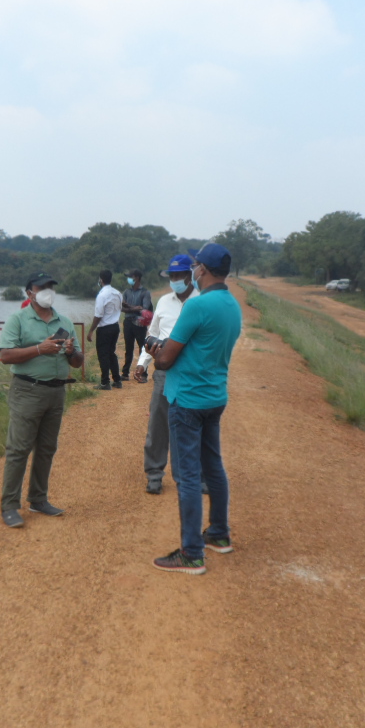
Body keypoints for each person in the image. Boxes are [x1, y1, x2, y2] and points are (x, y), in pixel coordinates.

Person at [146, 243, 242, 575]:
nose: (194, 270)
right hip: (214, 396)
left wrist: (156, 353)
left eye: (197, 264)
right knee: (213, 467)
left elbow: (165, 359)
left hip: (187, 399)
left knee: (187, 476)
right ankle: (219, 533)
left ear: (204, 270)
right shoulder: (232, 305)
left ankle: (191, 552)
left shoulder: (197, 306)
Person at [0, 272, 84, 528]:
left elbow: (78, 362)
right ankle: (9, 506)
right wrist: (39, 349)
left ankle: (38, 498)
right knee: (19, 450)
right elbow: (6, 356)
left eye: (51, 287)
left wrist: (71, 352)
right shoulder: (18, 319)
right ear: (30, 293)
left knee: (47, 448)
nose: (48, 291)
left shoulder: (64, 321)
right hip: (27, 391)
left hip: (56, 392)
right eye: (42, 287)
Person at [134, 254, 199, 495]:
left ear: (189, 275)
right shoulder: (163, 302)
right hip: (164, 370)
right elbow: (151, 335)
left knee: (194, 423)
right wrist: (143, 363)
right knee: (158, 422)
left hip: (193, 372)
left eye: (179, 275)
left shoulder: (202, 300)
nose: (175, 279)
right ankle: (154, 473)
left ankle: (197, 474)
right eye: (171, 276)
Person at [86, 269, 123, 391]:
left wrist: (91, 330)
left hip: (104, 328)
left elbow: (98, 315)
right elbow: (120, 308)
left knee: (103, 355)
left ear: (101, 280)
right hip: (115, 327)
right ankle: (117, 380)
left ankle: (105, 382)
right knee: (111, 353)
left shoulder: (101, 295)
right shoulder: (117, 293)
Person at [121, 269, 153, 380]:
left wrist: (128, 306)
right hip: (128, 322)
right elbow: (122, 308)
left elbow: (144, 309)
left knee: (142, 348)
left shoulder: (145, 292)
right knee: (128, 348)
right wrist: (135, 308)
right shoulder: (127, 292)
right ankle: (125, 373)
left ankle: (143, 373)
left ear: (137, 278)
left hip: (140, 323)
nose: (129, 279)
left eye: (131, 277)